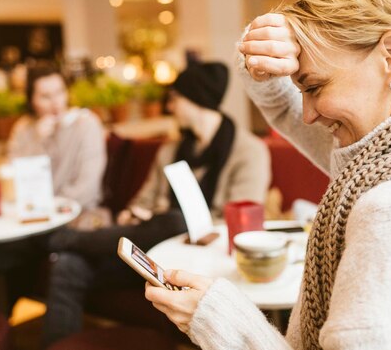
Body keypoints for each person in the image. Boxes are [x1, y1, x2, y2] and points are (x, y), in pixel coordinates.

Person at [146, 0, 391, 350]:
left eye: (316, 86)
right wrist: (266, 47)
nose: (306, 115)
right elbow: (281, 105)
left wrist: (220, 320)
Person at [41, 61, 271, 346]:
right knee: (68, 265)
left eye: (174, 98)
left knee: (176, 221)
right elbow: (143, 199)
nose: (170, 107)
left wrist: (172, 222)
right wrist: (134, 213)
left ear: (195, 99)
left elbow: (240, 219)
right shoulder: (170, 150)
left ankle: (64, 238)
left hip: (196, 257)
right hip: (148, 253)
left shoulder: (249, 151)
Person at [0, 63, 107, 316]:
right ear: (32, 100)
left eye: (59, 92)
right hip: (34, 222)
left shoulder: (86, 124)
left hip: (75, 220)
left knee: (54, 250)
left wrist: (49, 206)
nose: (55, 102)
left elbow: (86, 189)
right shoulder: (24, 129)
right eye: (45, 96)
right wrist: (37, 141)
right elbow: (13, 183)